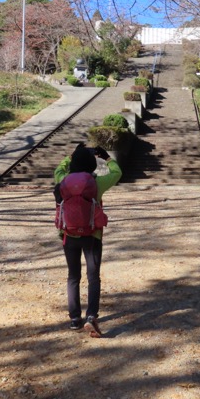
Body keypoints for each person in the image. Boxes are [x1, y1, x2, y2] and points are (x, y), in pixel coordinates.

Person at [54, 143, 122, 336]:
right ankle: (91, 316)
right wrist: (107, 158)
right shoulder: (96, 183)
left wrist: (70, 156)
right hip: (93, 236)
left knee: (73, 276)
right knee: (93, 277)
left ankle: (75, 319)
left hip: (69, 234)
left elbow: (58, 169)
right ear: (92, 164)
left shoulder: (63, 180)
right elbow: (117, 173)